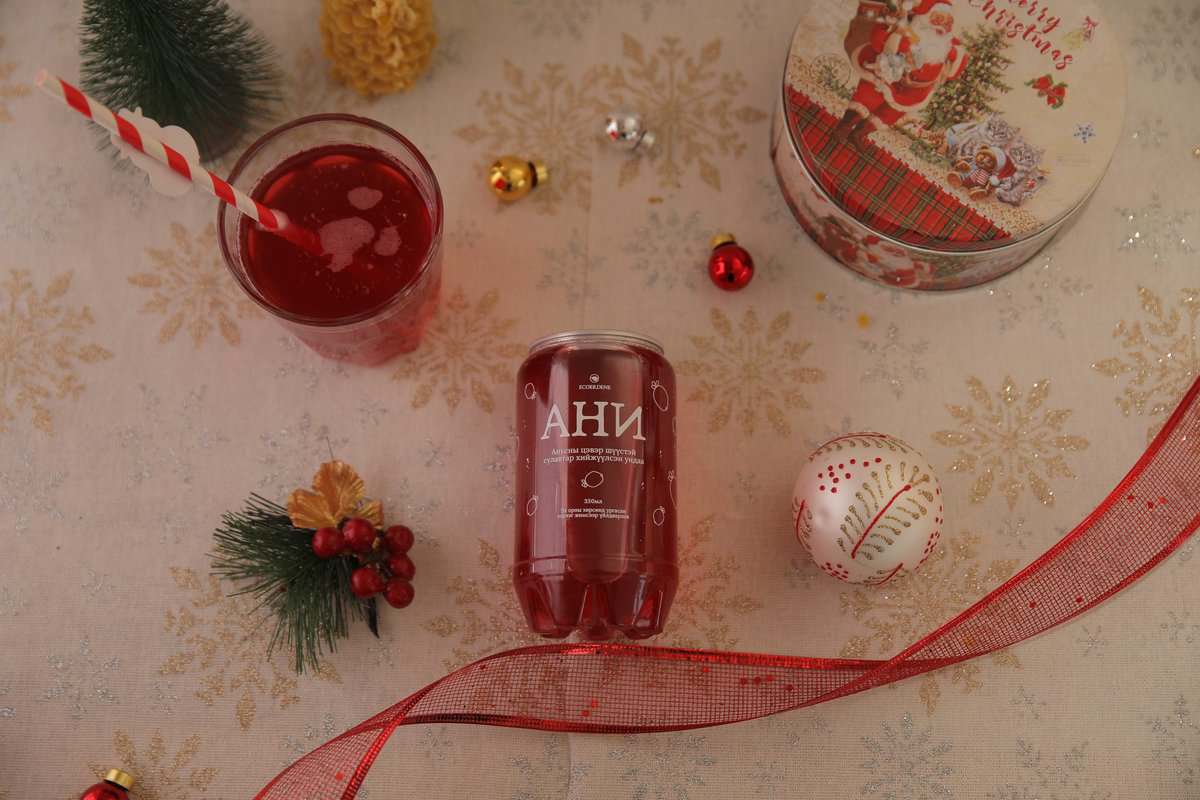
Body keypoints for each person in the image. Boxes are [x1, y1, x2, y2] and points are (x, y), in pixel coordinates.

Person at [834, 0, 969, 147]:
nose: (940, 26)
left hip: (914, 91)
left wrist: (960, 55)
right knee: (867, 98)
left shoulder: (949, 46)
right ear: (923, 17)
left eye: (946, 21)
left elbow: (953, 73)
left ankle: (859, 134)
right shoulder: (903, 29)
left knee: (890, 114)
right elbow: (878, 40)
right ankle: (844, 127)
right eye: (937, 18)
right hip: (887, 75)